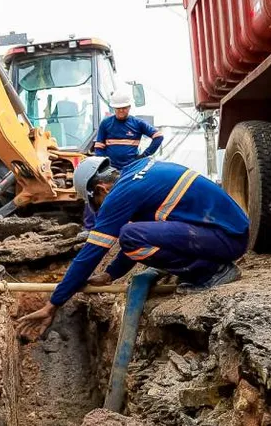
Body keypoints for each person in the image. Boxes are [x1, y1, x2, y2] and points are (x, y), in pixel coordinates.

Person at [17, 156, 250, 339]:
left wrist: (54, 303)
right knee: (133, 234)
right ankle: (208, 267)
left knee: (129, 235)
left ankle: (212, 272)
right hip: (229, 232)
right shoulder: (137, 171)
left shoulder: (119, 194)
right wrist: (110, 274)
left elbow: (90, 254)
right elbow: (142, 231)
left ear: (101, 189)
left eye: (95, 204)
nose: (99, 209)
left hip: (226, 239)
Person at [83, 92, 164, 230]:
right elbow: (99, 148)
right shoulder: (106, 124)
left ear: (129, 107)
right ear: (114, 109)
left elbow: (158, 136)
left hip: (130, 169)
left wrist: (144, 155)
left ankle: (131, 227)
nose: (121, 111)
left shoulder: (137, 123)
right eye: (118, 108)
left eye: (124, 108)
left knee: (132, 196)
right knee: (94, 192)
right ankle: (90, 228)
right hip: (110, 169)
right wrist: (102, 167)